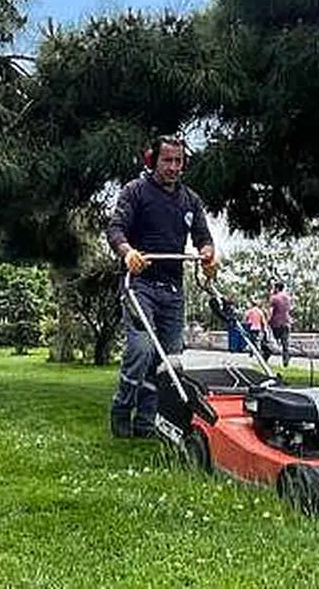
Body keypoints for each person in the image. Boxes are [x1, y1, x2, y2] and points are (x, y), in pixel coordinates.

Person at [106, 134, 216, 438]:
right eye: (167, 160)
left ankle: (146, 420)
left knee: (168, 362)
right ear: (152, 160)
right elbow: (115, 228)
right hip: (139, 285)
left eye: (178, 161)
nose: (173, 166)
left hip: (173, 290)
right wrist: (128, 252)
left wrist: (208, 253)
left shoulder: (190, 199)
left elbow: (203, 237)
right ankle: (121, 407)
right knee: (141, 350)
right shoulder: (136, 191)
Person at [268, 282, 294, 366]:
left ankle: (265, 356)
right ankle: (285, 360)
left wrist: (267, 321)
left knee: (270, 341)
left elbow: (271, 311)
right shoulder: (288, 298)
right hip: (286, 322)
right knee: (285, 343)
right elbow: (289, 309)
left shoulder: (274, 298)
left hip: (276, 323)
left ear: (277, 288)